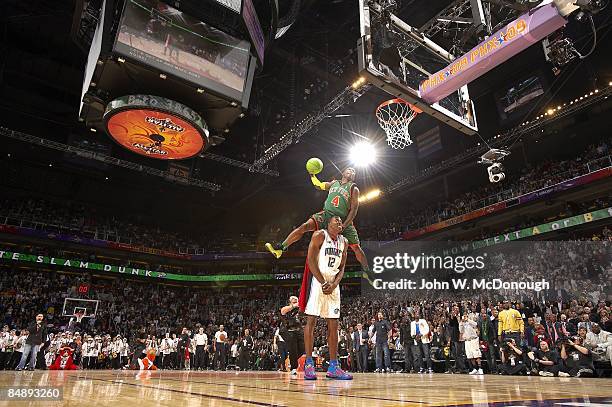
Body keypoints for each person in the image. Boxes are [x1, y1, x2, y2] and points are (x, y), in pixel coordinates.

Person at [265, 167, 370, 273]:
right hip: (326, 215)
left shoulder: (353, 188)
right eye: (349, 170)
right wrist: (312, 175)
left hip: (342, 220)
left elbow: (354, 210)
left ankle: (367, 270)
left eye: (354, 172)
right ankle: (281, 248)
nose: (352, 172)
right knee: (304, 227)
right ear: (343, 173)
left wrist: (345, 224)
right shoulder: (334, 183)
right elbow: (318, 185)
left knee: (356, 248)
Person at [299, 215, 352, 380]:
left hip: (333, 285)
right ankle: (309, 364)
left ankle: (334, 367)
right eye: (335, 219)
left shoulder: (344, 242)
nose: (339, 222)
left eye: (341, 221)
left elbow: (342, 267)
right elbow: (310, 260)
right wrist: (323, 282)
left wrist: (335, 284)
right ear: (328, 224)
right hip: (318, 281)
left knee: (334, 325)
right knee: (311, 321)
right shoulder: (319, 235)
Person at [280, 295, 304, 376]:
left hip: (298, 330)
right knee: (293, 347)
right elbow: (283, 311)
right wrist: (294, 305)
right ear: (290, 302)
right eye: (294, 301)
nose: (296, 303)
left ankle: (291, 360)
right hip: (288, 330)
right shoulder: (286, 309)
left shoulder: (299, 310)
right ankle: (293, 368)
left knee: (303, 348)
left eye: (296, 301)